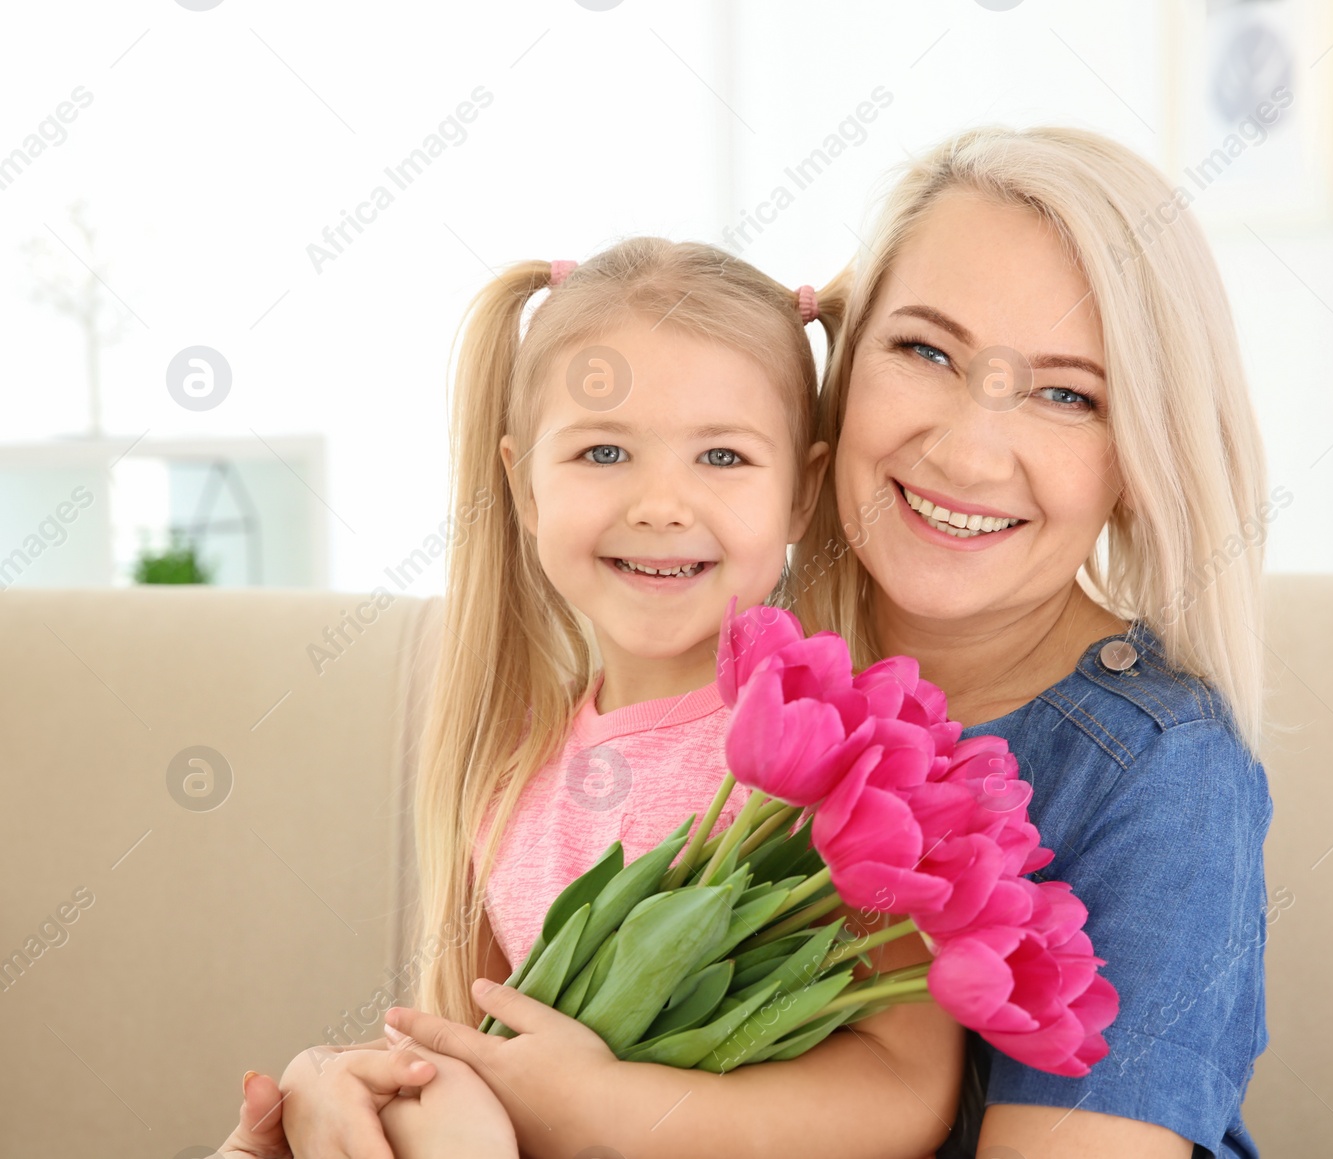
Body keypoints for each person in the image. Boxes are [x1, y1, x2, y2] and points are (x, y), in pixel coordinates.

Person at [214, 238, 966, 1159]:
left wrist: (614, 1105)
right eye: (603, 451)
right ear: (524, 486)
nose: (660, 503)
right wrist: (332, 1082)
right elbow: (478, 1056)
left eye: (722, 456)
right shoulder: (510, 764)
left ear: (801, 493)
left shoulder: (840, 754)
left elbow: (905, 1088)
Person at [791, 125, 1276, 1158]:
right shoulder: (727, 666)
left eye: (1068, 394)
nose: (968, 450)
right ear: (844, 361)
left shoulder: (1163, 772)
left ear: (1142, 465)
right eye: (925, 350)